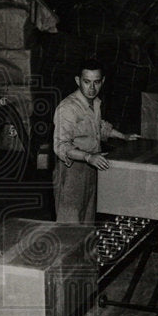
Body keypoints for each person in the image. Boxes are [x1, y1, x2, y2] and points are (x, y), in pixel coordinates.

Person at [52, 58, 139, 224]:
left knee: (87, 220)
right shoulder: (68, 108)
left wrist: (124, 136)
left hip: (92, 165)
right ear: (78, 81)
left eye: (96, 82)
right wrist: (88, 157)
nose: (92, 88)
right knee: (69, 223)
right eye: (86, 82)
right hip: (72, 170)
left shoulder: (95, 103)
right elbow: (61, 145)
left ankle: (86, 249)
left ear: (103, 81)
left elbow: (99, 126)